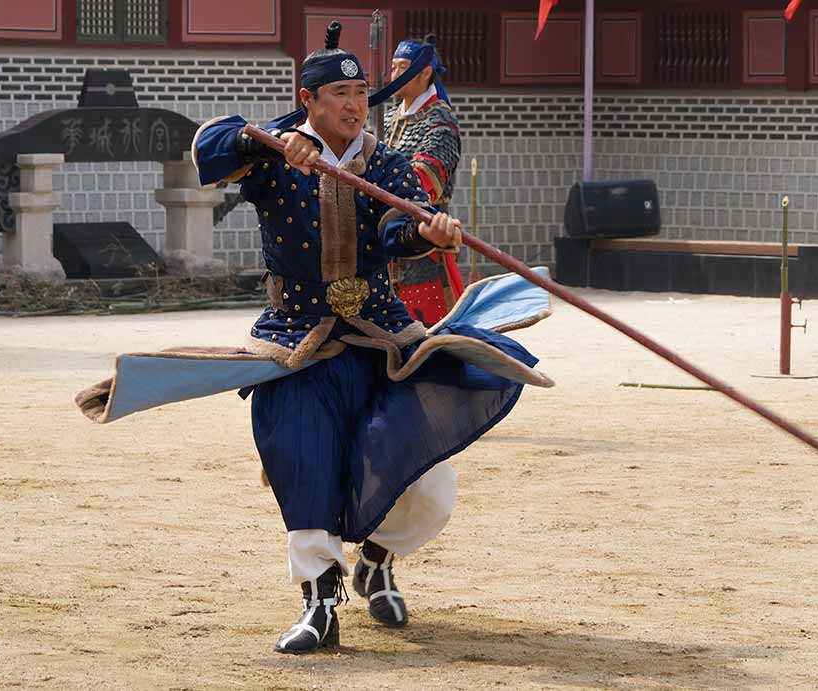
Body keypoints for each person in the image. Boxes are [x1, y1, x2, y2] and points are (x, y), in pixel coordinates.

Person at [191, 22, 550, 655]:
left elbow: (394, 231)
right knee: (304, 460)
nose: (355, 106)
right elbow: (209, 147)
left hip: (382, 337)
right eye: (340, 95)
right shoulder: (274, 158)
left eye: (361, 94)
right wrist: (269, 141)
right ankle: (318, 604)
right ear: (309, 100)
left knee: (428, 481)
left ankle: (379, 558)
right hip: (297, 339)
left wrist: (426, 233)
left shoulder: (384, 162)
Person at [384, 35, 465, 326]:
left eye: (402, 67)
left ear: (425, 72)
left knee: (429, 333)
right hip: (384, 241)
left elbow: (423, 180)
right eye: (392, 67)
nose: (394, 74)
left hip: (425, 242)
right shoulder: (387, 118)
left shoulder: (440, 120)